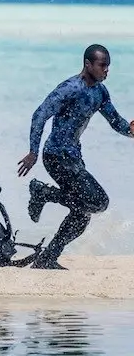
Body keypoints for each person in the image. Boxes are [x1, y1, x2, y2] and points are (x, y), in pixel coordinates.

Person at [18, 44, 132, 270]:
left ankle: (47, 259)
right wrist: (33, 151)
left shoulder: (100, 92)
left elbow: (116, 122)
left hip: (74, 158)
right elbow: (39, 115)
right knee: (99, 202)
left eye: (108, 67)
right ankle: (43, 192)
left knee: (82, 214)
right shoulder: (70, 88)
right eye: (102, 66)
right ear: (88, 64)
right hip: (56, 156)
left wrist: (130, 130)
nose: (106, 71)